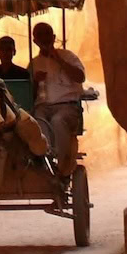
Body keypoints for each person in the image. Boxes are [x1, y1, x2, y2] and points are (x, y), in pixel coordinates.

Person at [30, 21, 93, 176]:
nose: (44, 39)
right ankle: (45, 157)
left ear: (53, 37)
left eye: (47, 35)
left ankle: (61, 160)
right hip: (43, 107)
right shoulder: (34, 64)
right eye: (40, 36)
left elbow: (80, 77)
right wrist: (35, 81)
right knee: (38, 121)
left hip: (68, 107)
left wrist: (59, 60)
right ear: (35, 41)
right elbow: (29, 94)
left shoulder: (68, 56)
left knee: (58, 121)